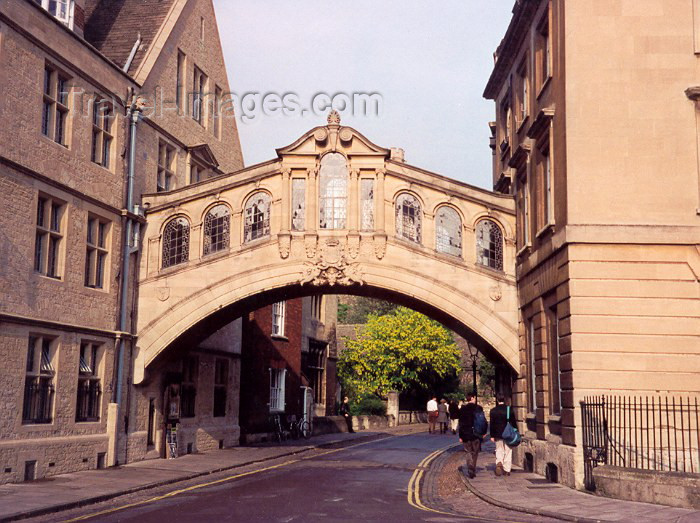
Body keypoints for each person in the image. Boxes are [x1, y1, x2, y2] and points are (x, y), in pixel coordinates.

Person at [489, 393, 517, 476]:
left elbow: (492, 424)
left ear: (497, 400)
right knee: (508, 451)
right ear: (504, 400)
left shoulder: (493, 411)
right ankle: (507, 469)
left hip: (498, 434)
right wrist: (516, 431)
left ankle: (499, 463)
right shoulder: (509, 409)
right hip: (508, 433)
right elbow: (514, 423)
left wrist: (492, 435)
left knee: (499, 449)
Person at [458, 393, 484, 478]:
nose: (475, 399)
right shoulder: (478, 408)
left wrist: (460, 436)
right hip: (476, 434)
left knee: (468, 451)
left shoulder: (463, 409)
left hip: (465, 434)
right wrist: (483, 433)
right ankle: (473, 468)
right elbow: (483, 422)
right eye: (475, 398)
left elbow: (460, 424)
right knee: (475, 452)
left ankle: (470, 466)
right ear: (472, 398)